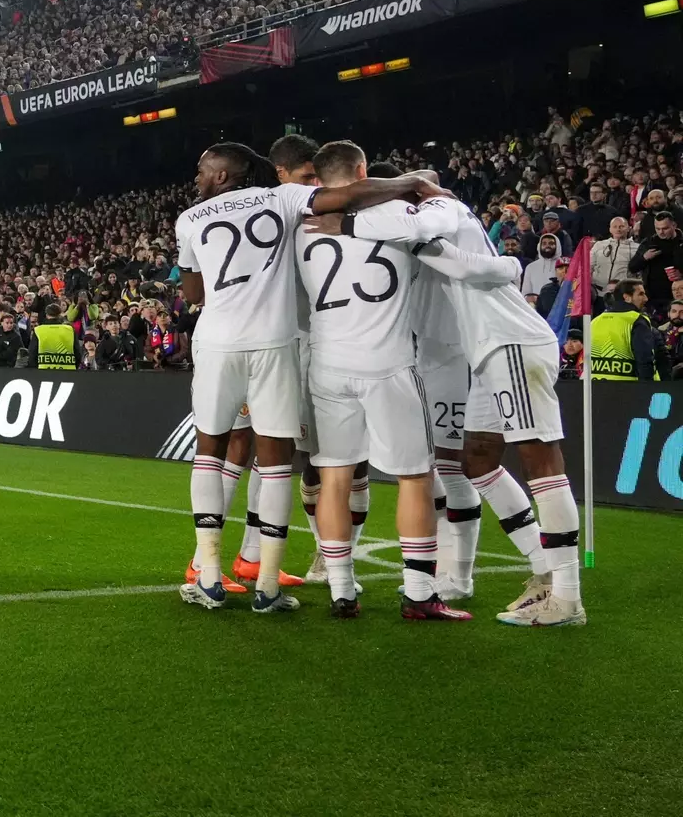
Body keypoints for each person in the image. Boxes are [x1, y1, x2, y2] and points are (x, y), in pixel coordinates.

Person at [176, 140, 446, 614]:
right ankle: (267, 588)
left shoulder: (190, 218)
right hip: (279, 343)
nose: (197, 176)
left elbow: (194, 291)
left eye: (202, 168)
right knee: (276, 459)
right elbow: (345, 196)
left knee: (211, 448)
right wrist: (409, 183)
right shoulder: (281, 199)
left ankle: (208, 575)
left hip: (218, 340)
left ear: (221, 175)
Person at [316, 162, 588, 626]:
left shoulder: (439, 206)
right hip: (481, 350)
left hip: (510, 341)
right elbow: (464, 263)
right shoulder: (414, 229)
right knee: (476, 458)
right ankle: (530, 572)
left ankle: (564, 593)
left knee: (541, 459)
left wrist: (346, 221)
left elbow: (452, 253)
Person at [298, 143, 523, 620]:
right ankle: (420, 595)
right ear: (363, 171)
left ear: (318, 179)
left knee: (336, 478)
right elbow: (441, 229)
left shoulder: (301, 226)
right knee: (415, 478)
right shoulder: (397, 215)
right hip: (390, 365)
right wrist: (423, 186)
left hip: (327, 366)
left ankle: (342, 589)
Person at [591, 279, 668, 381]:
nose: (646, 299)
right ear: (626, 297)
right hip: (630, 389)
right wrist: (648, 387)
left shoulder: (595, 321)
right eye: (641, 294)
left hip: (595, 387)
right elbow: (644, 358)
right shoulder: (636, 319)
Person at [628, 210, 683, 315]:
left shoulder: (681, 242)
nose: (661, 232)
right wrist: (644, 257)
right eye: (657, 229)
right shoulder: (649, 242)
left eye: (665, 228)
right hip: (652, 297)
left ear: (674, 225)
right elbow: (632, 267)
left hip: (677, 296)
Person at [591, 216, 639, 291]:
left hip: (623, 292)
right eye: (615, 227)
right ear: (610, 229)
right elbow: (589, 267)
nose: (618, 229)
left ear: (629, 229)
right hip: (598, 291)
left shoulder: (637, 248)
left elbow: (639, 274)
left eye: (621, 226)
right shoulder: (599, 245)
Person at [29, 304, 80, 370]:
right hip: (68, 371)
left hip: (43, 371)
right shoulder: (70, 330)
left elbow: (32, 354)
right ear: (60, 314)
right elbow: (77, 353)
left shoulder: (38, 330)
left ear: (46, 315)